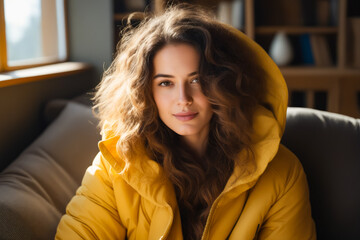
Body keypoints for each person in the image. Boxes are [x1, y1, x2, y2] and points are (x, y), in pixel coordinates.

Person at [56, 4, 316, 240]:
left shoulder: (283, 174)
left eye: (196, 80)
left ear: (223, 82)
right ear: (145, 92)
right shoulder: (117, 166)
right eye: (166, 83)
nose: (183, 99)